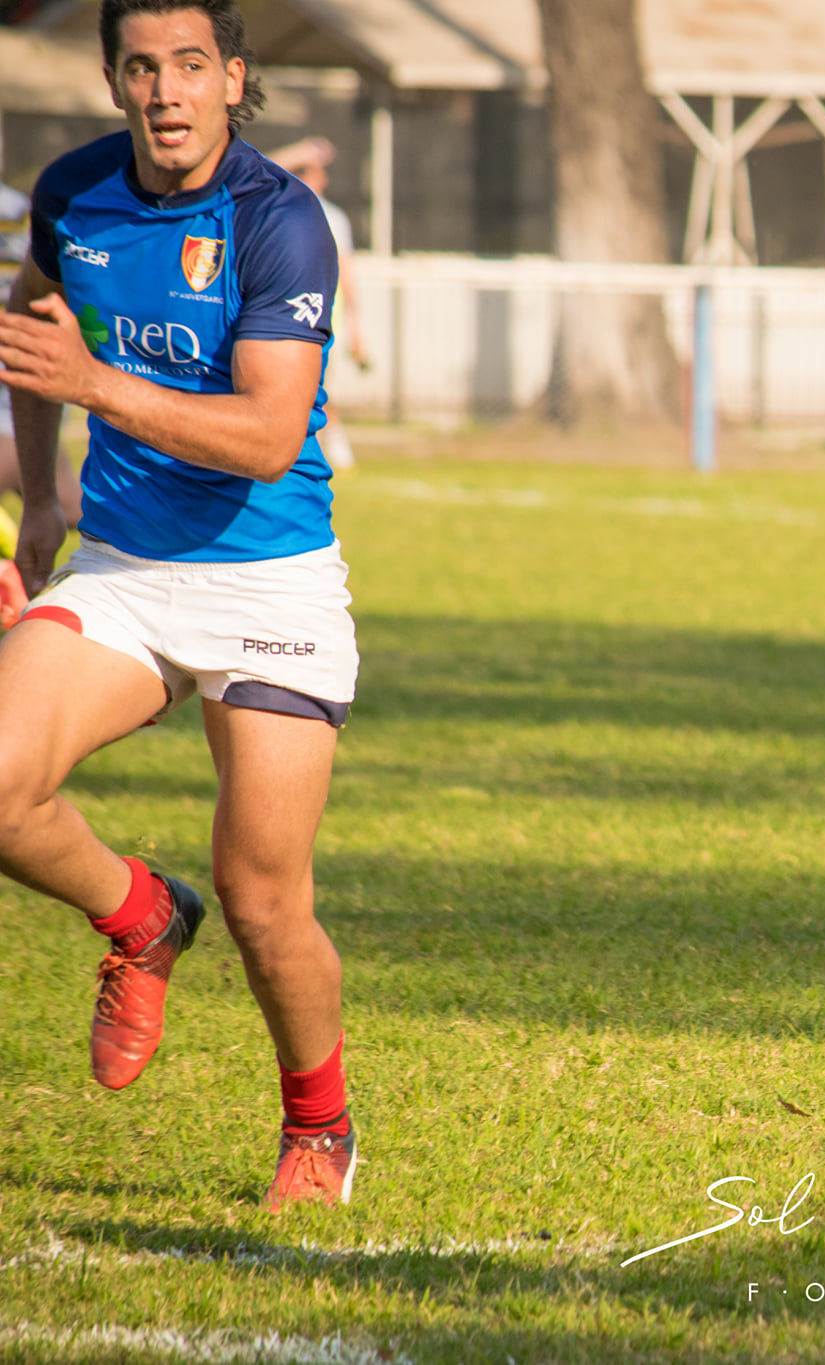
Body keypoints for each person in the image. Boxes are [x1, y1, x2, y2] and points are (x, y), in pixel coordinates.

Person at [0, 0, 361, 1209]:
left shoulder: (279, 222)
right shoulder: (74, 192)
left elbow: (267, 435)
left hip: (271, 584)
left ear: (233, 80)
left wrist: (95, 380)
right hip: (123, 575)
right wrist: (41, 499)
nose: (166, 91)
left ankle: (320, 1124)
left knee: (266, 902)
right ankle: (142, 914)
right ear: (113, 81)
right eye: (142, 67)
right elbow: (30, 319)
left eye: (190, 67)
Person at [267, 136, 367, 471]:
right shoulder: (277, 207)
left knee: (322, 386)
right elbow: (257, 170)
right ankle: (319, 444)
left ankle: (330, 443)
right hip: (281, 317)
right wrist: (297, 152)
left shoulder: (334, 217)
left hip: (325, 318)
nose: (317, 178)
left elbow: (347, 273)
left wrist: (356, 329)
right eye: (307, 171)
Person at [0, 181, 84, 552]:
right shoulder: (19, 205)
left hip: (18, 382)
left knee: (69, 503)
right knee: (69, 503)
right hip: (25, 380)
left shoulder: (20, 209)